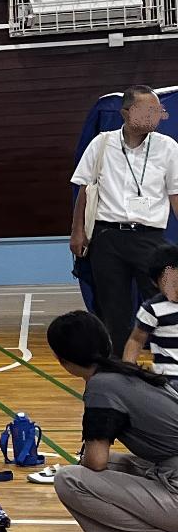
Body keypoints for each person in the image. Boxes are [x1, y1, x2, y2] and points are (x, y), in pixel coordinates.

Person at [46, 309, 178, 532]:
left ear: (62, 360)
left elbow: (95, 462)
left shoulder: (101, 387)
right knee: (117, 463)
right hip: (170, 469)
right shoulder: (130, 374)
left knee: (69, 479)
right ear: (107, 342)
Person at [73, 86, 178, 353]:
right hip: (108, 238)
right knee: (114, 311)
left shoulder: (168, 148)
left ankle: (170, 370)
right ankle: (121, 374)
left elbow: (176, 195)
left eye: (158, 111)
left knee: (165, 305)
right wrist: (77, 232)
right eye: (148, 111)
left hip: (150, 239)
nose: (155, 116)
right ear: (126, 113)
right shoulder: (102, 143)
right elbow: (84, 189)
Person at [121, 243, 178, 387]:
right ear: (155, 283)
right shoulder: (152, 309)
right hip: (167, 379)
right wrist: (128, 369)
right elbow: (136, 340)